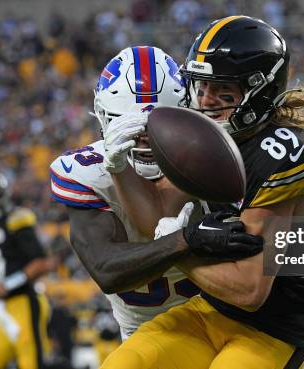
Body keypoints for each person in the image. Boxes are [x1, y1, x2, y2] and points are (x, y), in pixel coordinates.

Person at [101, 15, 304, 369]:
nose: (206, 101)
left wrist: (177, 246)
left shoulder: (283, 153)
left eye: (223, 91)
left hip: (276, 325)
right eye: (201, 87)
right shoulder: (209, 139)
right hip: (212, 307)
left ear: (260, 93)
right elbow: (155, 216)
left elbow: (248, 291)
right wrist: (117, 167)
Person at [48, 46, 262, 340]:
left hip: (233, 322)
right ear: (102, 118)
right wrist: (185, 240)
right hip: (144, 335)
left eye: (156, 125)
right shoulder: (88, 174)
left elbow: (286, 250)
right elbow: (106, 269)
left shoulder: (220, 159)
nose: (144, 139)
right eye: (128, 126)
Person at [0, 170, 53, 369]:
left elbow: (41, 263)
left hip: (23, 301)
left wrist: (8, 284)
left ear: (3, 197)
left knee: (30, 362)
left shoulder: (17, 220)